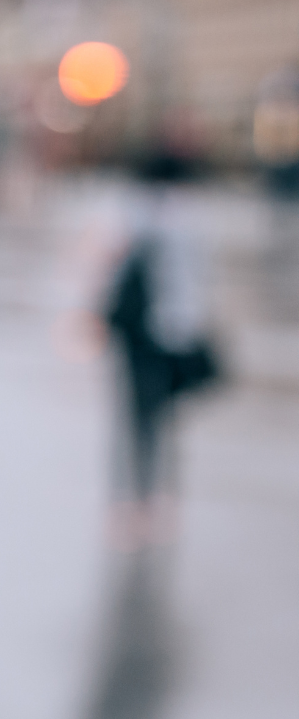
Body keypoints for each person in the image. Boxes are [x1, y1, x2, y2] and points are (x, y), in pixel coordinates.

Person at [103, 153, 221, 545]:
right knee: (161, 419)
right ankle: (158, 496)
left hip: (142, 332)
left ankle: (138, 500)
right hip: (174, 332)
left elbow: (120, 268)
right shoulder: (190, 220)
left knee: (138, 419)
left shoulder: (146, 218)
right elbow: (196, 284)